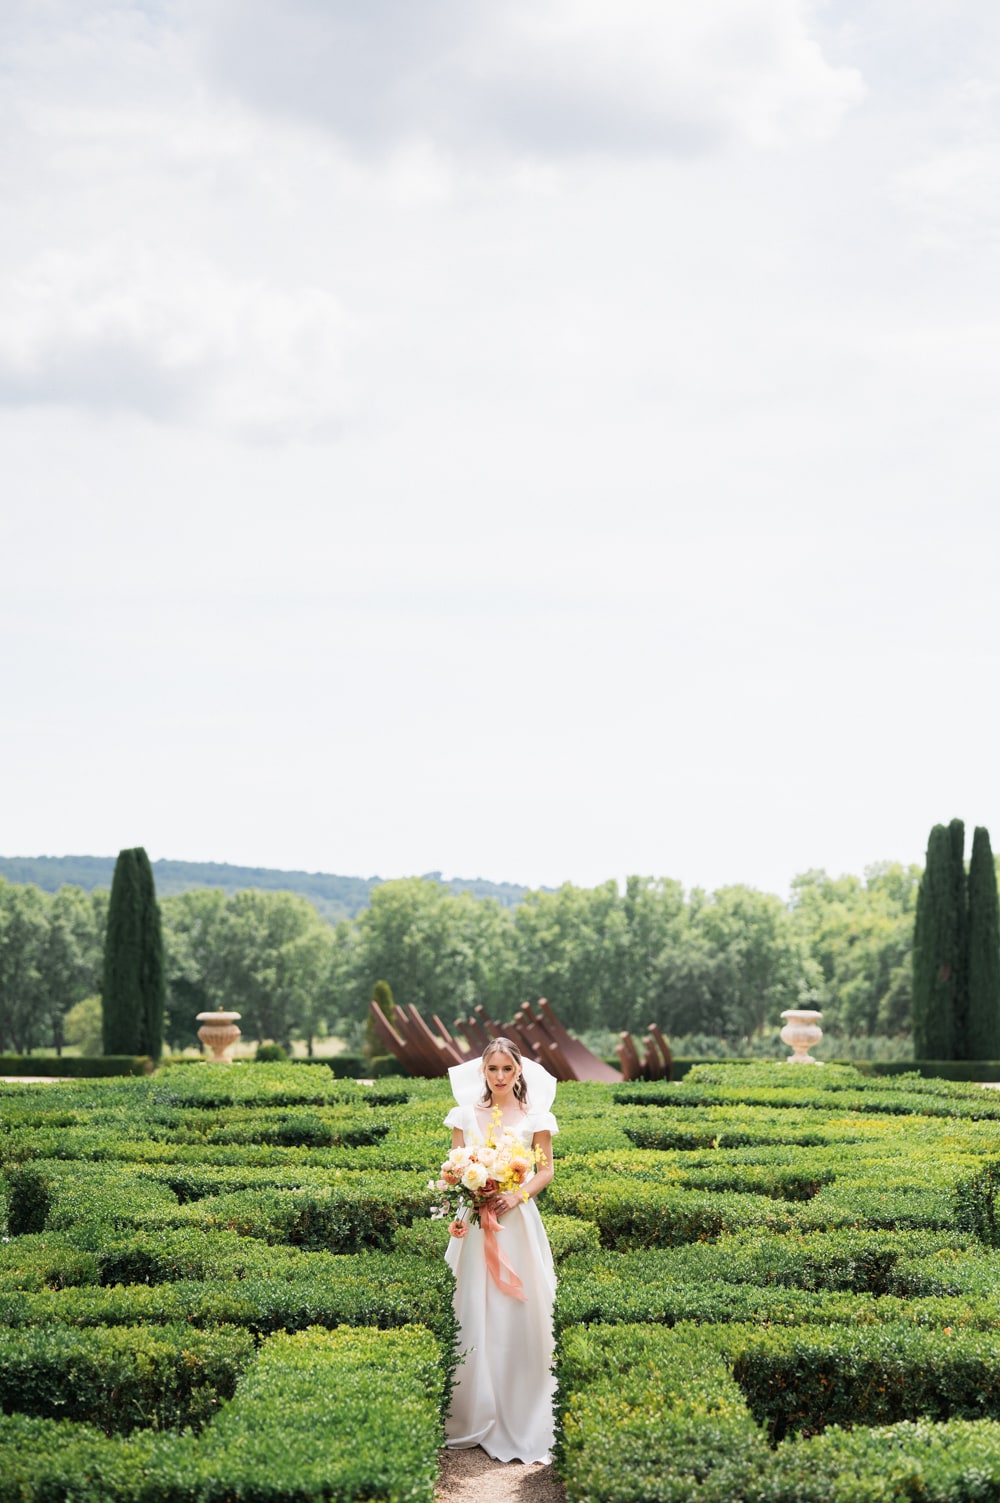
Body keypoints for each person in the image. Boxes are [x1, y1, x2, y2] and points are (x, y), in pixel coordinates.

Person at [443, 1037, 558, 1464]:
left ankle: (520, 1403)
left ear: (519, 1071)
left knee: (518, 1307)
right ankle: (470, 1407)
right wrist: (468, 1193)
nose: (499, 1077)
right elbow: (454, 1166)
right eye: (492, 1069)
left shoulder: (535, 1116)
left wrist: (517, 1196)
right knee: (471, 1305)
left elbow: (544, 1171)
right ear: (483, 1072)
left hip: (516, 1223)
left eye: (507, 1069)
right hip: (475, 1222)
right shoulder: (464, 1114)